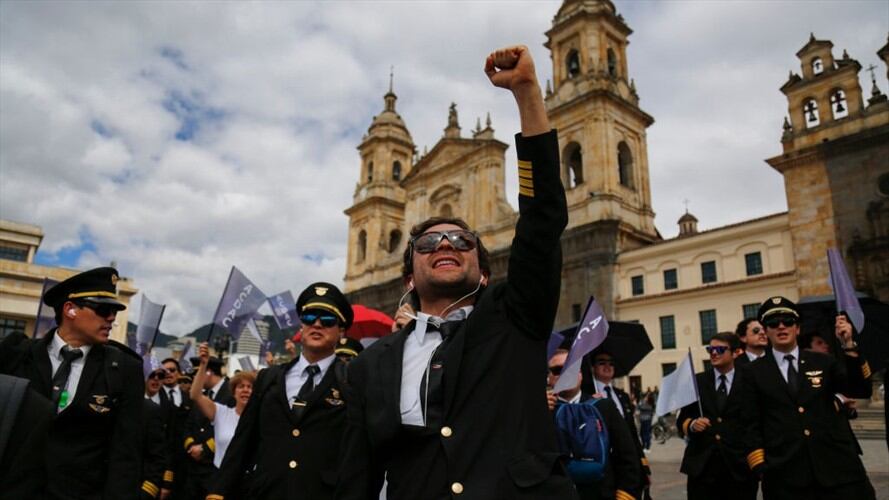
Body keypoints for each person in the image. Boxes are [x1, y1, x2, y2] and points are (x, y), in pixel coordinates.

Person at [337, 45, 576, 500]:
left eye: (462, 241)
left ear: (485, 274)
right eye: (427, 243)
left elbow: (543, 219)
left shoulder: (513, 320)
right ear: (409, 278)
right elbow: (358, 476)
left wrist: (527, 94)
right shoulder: (370, 366)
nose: (445, 244)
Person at [0, 266, 144, 500]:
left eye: (114, 312)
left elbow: (126, 454)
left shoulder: (124, 368)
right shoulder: (16, 354)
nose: (111, 318)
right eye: (103, 309)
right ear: (70, 309)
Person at [208, 282, 353, 500]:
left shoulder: (351, 381)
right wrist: (218, 493)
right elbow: (243, 442)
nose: (318, 324)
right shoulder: (270, 378)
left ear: (341, 331)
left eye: (328, 319)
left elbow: (358, 456)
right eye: (309, 318)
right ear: (300, 328)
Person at [741, 296, 875, 499]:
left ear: (798, 328)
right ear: (766, 331)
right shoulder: (752, 372)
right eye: (773, 323)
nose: (781, 327)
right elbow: (749, 422)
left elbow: (860, 389)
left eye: (788, 321)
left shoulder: (823, 362)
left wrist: (848, 345)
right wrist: (760, 465)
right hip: (786, 477)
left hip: (838, 469)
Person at [548, 350, 641, 500]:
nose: (565, 374)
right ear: (550, 378)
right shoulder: (541, 412)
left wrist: (626, 494)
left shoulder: (603, 407)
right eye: (558, 370)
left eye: (571, 368)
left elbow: (627, 455)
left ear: (580, 374)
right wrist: (538, 413)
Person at [677, 333, 756, 500]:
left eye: (720, 349)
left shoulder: (749, 380)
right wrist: (692, 424)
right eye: (710, 349)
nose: (714, 353)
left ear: (735, 353)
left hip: (739, 468)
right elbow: (681, 420)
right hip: (703, 469)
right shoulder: (697, 381)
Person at [590, 351, 652, 498]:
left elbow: (631, 433)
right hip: (604, 467)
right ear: (592, 367)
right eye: (602, 362)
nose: (608, 366)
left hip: (627, 464)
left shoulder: (622, 396)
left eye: (611, 363)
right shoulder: (587, 396)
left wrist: (643, 466)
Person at [190, 343, 254, 471]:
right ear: (234, 392)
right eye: (241, 387)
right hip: (221, 476)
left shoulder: (260, 418)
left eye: (250, 387)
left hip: (248, 480)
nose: (245, 390)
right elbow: (195, 395)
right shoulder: (221, 412)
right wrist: (203, 365)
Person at [181, 354, 233, 499]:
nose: (195, 378)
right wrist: (191, 445)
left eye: (198, 373)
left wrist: (205, 448)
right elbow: (189, 425)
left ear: (208, 373)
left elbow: (233, 428)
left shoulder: (230, 394)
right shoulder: (201, 395)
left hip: (215, 467)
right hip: (194, 468)